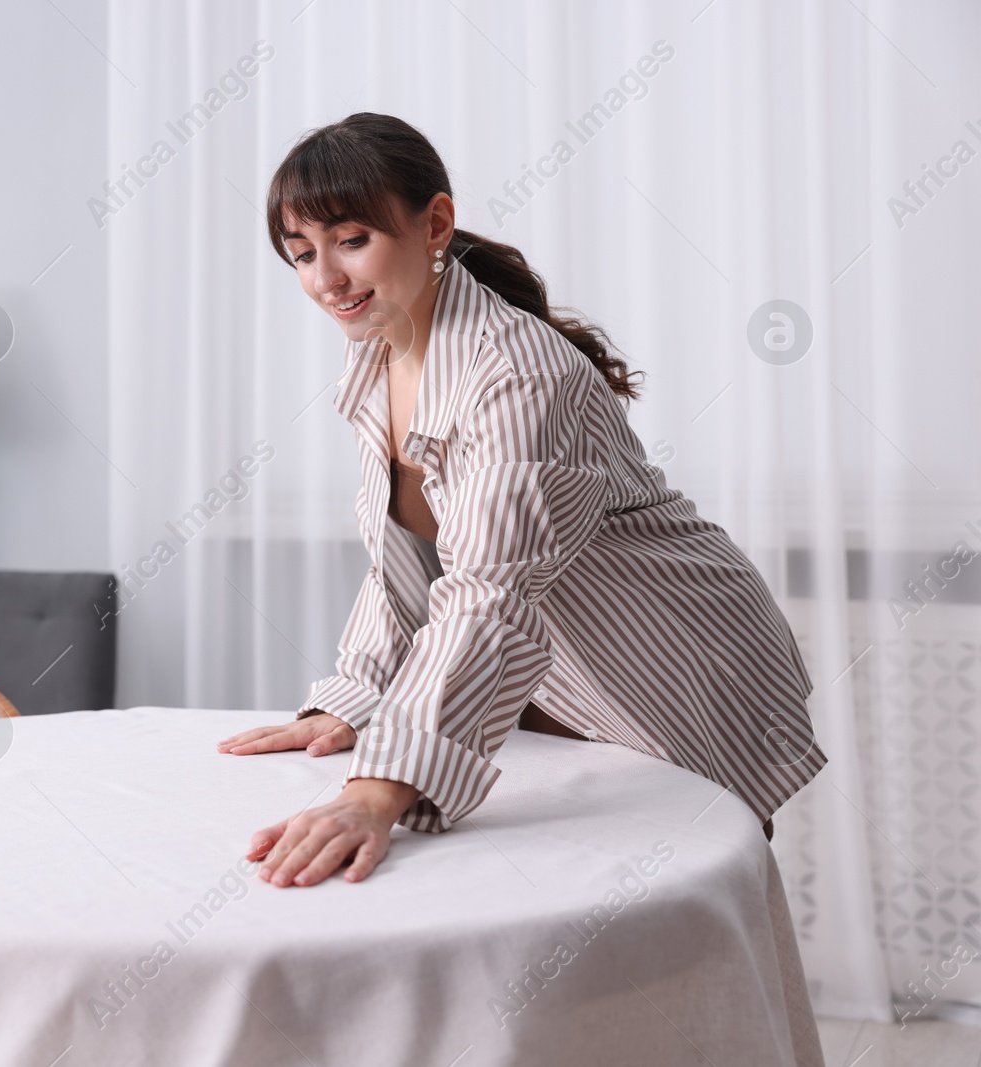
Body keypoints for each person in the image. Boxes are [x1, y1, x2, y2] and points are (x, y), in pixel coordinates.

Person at [217, 113, 826, 888]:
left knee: (665, 911)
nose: (325, 278)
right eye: (301, 254)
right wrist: (358, 699)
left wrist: (375, 787)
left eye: (351, 240)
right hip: (554, 663)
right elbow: (404, 561)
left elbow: (488, 591)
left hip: (673, 658)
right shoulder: (380, 354)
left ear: (435, 222)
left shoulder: (518, 373)